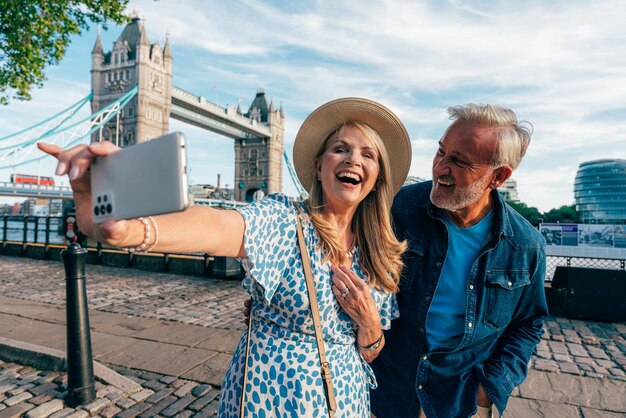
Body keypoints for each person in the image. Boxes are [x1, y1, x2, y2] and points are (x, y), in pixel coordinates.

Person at [38, 97, 412, 417]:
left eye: (368, 154)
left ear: (377, 177)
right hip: (274, 399)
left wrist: (370, 325)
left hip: (346, 401)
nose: (353, 159)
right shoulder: (284, 220)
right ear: (319, 165)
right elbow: (217, 228)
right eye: (340, 148)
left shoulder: (380, 252)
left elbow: (370, 351)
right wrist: (128, 227)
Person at [370, 104, 548, 418]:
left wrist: (490, 388)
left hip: (460, 401)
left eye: (458, 161)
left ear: (498, 176)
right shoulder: (396, 209)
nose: (439, 168)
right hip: (385, 391)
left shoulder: (526, 246)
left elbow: (527, 325)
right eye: (441, 152)